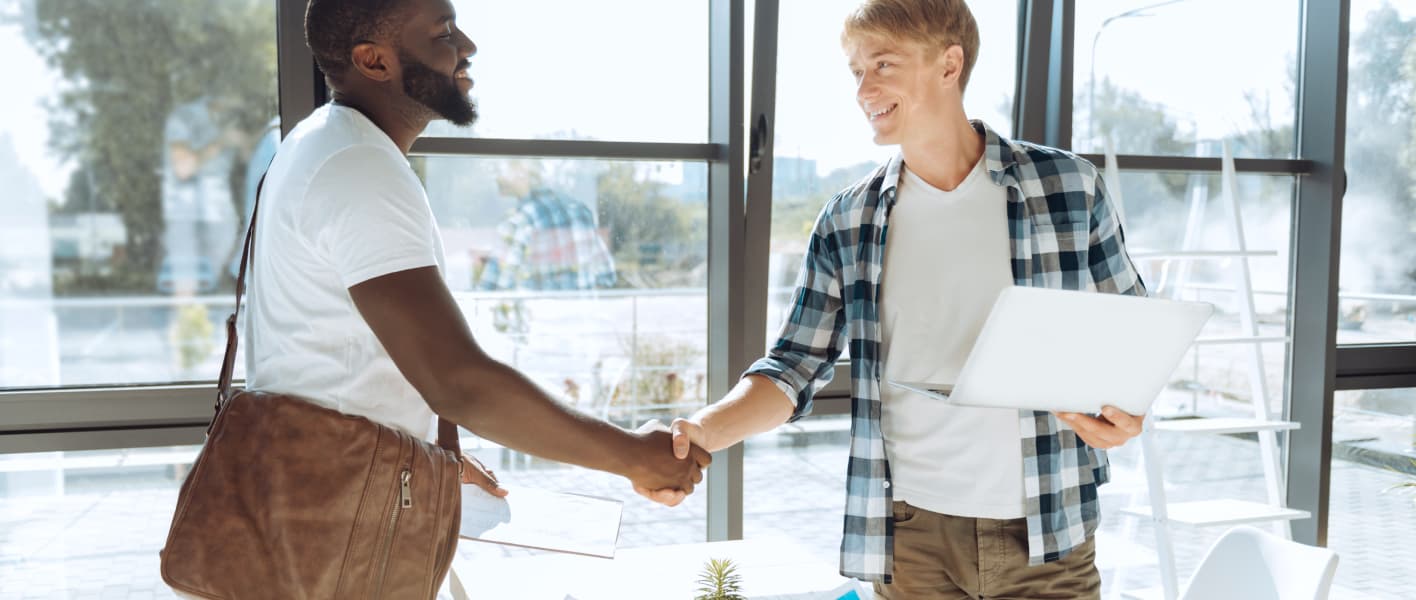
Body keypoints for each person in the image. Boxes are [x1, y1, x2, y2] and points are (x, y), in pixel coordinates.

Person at [653, 1, 1147, 597]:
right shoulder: (848, 219)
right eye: (856, 71)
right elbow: (793, 367)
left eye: (882, 64)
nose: (864, 88)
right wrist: (696, 433)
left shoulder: (1068, 187)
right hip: (912, 543)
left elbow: (1132, 335)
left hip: (1050, 536)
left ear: (949, 64)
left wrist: (1123, 413)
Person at [243, 0, 709, 511]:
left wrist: (439, 457)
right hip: (328, 525)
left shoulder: (323, 142)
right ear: (375, 61)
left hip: (318, 495)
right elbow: (457, 382)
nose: (468, 47)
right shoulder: (360, 168)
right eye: (444, 34)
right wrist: (633, 456)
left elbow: (367, 348)